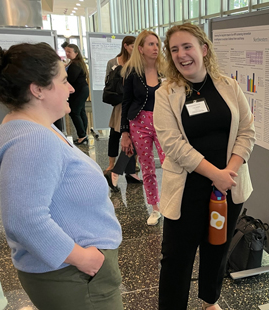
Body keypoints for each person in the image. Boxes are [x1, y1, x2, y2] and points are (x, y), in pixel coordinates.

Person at [0, 42, 123, 310]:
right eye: (63, 81)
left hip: (72, 274)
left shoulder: (30, 126)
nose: (71, 87)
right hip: (74, 276)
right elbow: (24, 219)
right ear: (37, 89)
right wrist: (84, 259)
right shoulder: (33, 140)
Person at [153, 23, 255, 310]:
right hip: (187, 189)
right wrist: (216, 174)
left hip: (228, 188)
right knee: (176, 256)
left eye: (187, 47)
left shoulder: (228, 85)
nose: (182, 55)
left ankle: (210, 301)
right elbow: (172, 144)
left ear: (204, 50)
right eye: (174, 50)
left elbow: (248, 131)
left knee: (217, 247)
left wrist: (228, 173)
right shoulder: (166, 93)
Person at [121, 30, 166, 225]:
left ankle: (172, 203)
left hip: (164, 123)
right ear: (140, 48)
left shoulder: (166, 70)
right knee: (147, 168)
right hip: (139, 123)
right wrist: (124, 132)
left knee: (169, 164)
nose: (155, 48)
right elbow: (126, 102)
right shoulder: (132, 72)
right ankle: (155, 208)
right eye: (150, 44)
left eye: (157, 44)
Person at [103, 36, 142, 191]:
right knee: (119, 135)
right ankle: (115, 170)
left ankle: (129, 172)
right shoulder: (113, 62)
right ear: (126, 46)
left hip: (134, 104)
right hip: (122, 104)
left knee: (133, 138)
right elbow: (108, 83)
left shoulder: (139, 63)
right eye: (133, 46)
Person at [64, 43, 90, 145]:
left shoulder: (75, 64)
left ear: (76, 52)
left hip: (78, 91)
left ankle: (82, 135)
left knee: (74, 112)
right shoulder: (76, 62)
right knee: (81, 111)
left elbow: (71, 79)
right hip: (82, 90)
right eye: (66, 52)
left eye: (69, 52)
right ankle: (82, 135)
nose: (67, 54)